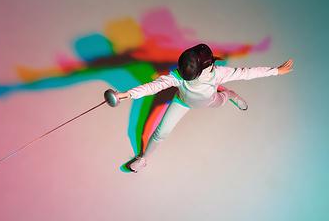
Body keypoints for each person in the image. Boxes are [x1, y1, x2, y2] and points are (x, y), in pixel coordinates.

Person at [117, 44, 293, 173]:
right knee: (161, 132)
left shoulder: (218, 74)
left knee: (223, 99)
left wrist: (276, 71)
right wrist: (127, 94)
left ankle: (233, 95)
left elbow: (247, 72)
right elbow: (153, 86)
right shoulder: (178, 75)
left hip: (210, 100)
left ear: (205, 68)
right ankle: (143, 158)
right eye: (186, 64)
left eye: (191, 66)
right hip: (182, 102)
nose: (186, 68)